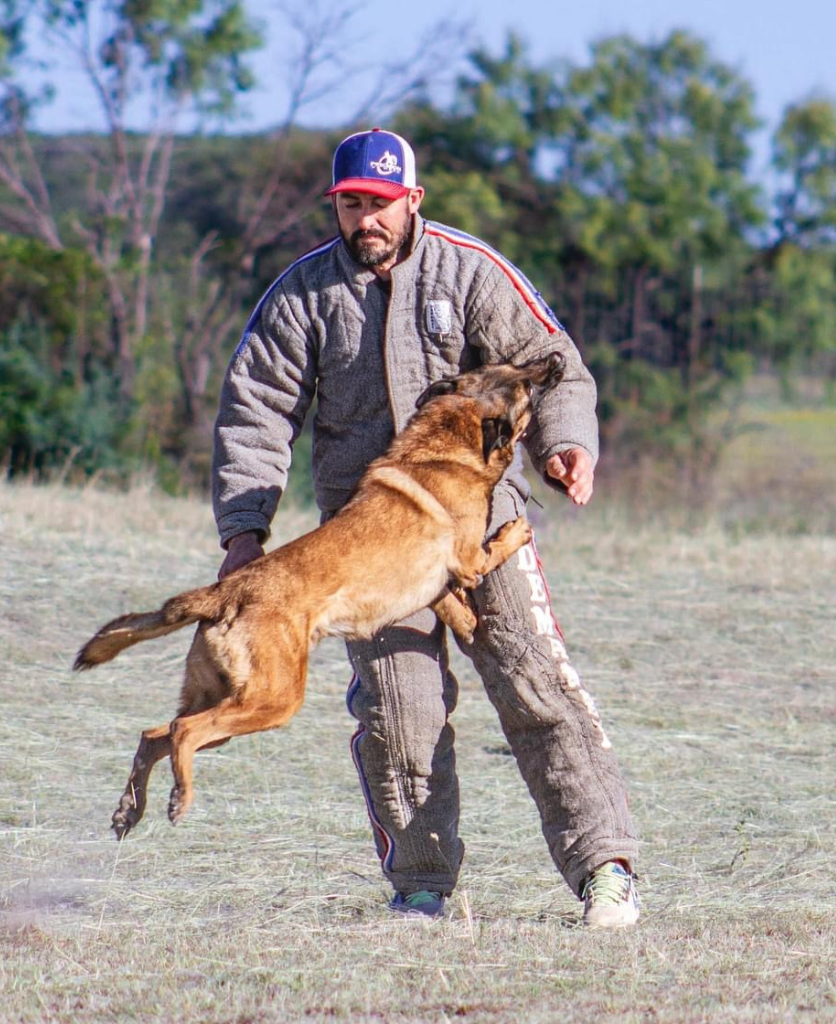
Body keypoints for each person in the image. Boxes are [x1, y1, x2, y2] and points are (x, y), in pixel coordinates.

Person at [211, 128, 639, 927]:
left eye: (379, 205)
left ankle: (604, 870)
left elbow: (553, 361)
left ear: (412, 202)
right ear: (335, 205)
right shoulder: (301, 295)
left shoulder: (470, 269)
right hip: (368, 546)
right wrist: (244, 527)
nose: (365, 220)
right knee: (397, 713)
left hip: (482, 522)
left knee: (535, 689)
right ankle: (421, 886)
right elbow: (256, 410)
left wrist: (568, 444)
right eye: (350, 205)